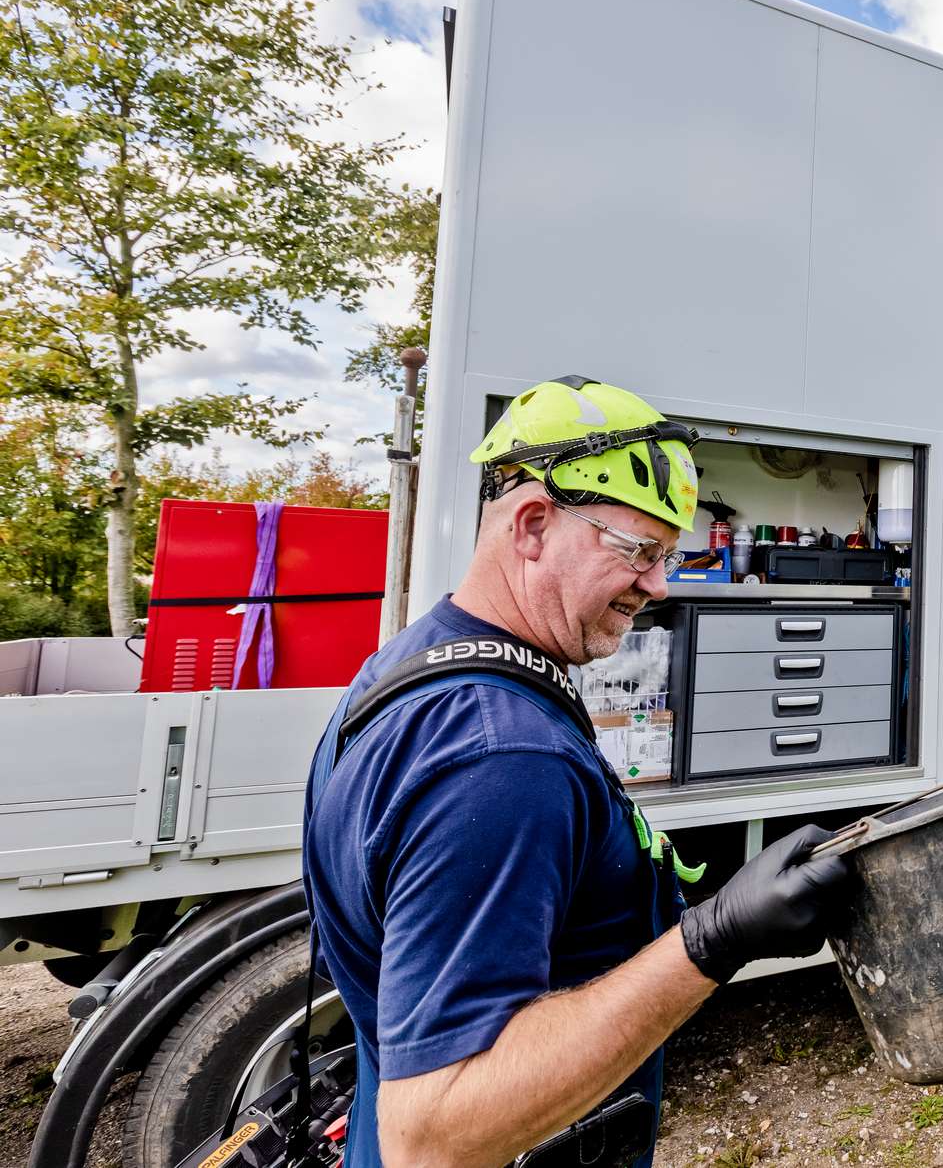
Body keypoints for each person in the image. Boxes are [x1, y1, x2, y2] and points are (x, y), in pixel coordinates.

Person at [302, 375, 855, 1167]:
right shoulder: (499, 759)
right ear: (531, 524)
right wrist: (713, 939)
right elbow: (432, 1132)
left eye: (670, 555)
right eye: (640, 551)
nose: (660, 586)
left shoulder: (414, 664)